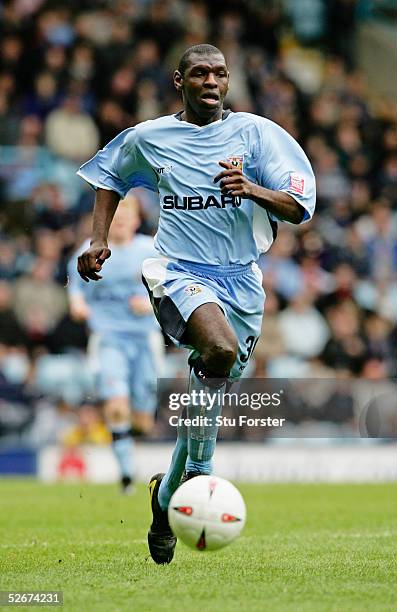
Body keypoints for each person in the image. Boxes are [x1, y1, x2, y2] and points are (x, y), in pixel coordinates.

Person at [76, 44, 316, 563]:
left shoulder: (258, 135)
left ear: (228, 82)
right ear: (179, 80)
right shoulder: (151, 137)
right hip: (178, 270)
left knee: (213, 380)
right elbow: (108, 175)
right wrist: (98, 239)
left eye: (220, 73)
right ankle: (202, 477)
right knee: (221, 352)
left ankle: (165, 498)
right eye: (201, 73)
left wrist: (251, 189)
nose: (212, 81)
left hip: (242, 280)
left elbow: (299, 206)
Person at [68, 194, 163, 494]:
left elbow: (170, 294)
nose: (120, 218)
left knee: (143, 422)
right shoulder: (89, 252)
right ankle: (125, 478)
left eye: (126, 213)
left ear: (136, 220)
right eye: (115, 213)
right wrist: (79, 306)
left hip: (146, 340)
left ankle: (127, 438)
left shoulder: (150, 252)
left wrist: (149, 305)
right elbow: (75, 293)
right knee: (117, 406)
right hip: (109, 339)